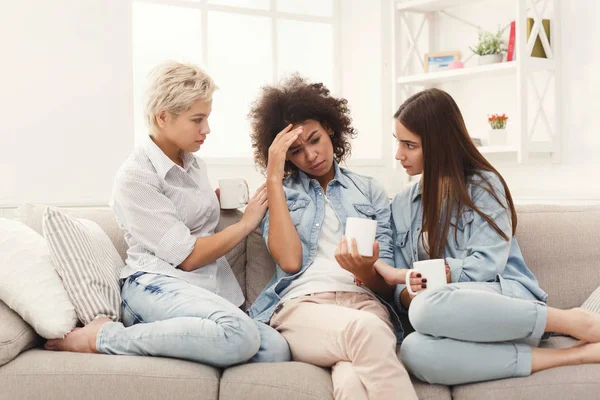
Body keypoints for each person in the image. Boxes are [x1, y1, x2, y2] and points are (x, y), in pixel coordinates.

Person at [45, 61, 291, 366]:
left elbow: (186, 215)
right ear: (163, 117)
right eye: (197, 119)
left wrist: (218, 201)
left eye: (207, 118)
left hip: (198, 290)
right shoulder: (135, 176)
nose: (207, 129)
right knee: (240, 334)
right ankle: (103, 338)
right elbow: (187, 257)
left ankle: (185, 341)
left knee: (276, 349)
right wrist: (247, 222)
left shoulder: (192, 163)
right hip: (154, 285)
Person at [372, 87, 600, 385]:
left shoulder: (482, 187)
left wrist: (430, 277)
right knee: (414, 350)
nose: (399, 154)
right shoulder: (401, 205)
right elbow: (401, 292)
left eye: (409, 145)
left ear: (439, 144)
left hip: (502, 304)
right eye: (398, 143)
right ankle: (573, 356)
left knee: (426, 308)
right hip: (448, 321)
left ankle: (569, 320)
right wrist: (410, 289)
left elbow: (486, 266)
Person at [246, 75, 419, 400]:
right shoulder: (279, 193)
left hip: (365, 303)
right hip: (303, 307)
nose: (310, 155)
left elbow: (388, 283)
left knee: (353, 380)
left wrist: (366, 270)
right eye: (296, 151)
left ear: (329, 127)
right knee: (365, 333)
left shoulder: (368, 190)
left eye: (314, 139)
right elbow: (289, 260)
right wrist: (273, 175)